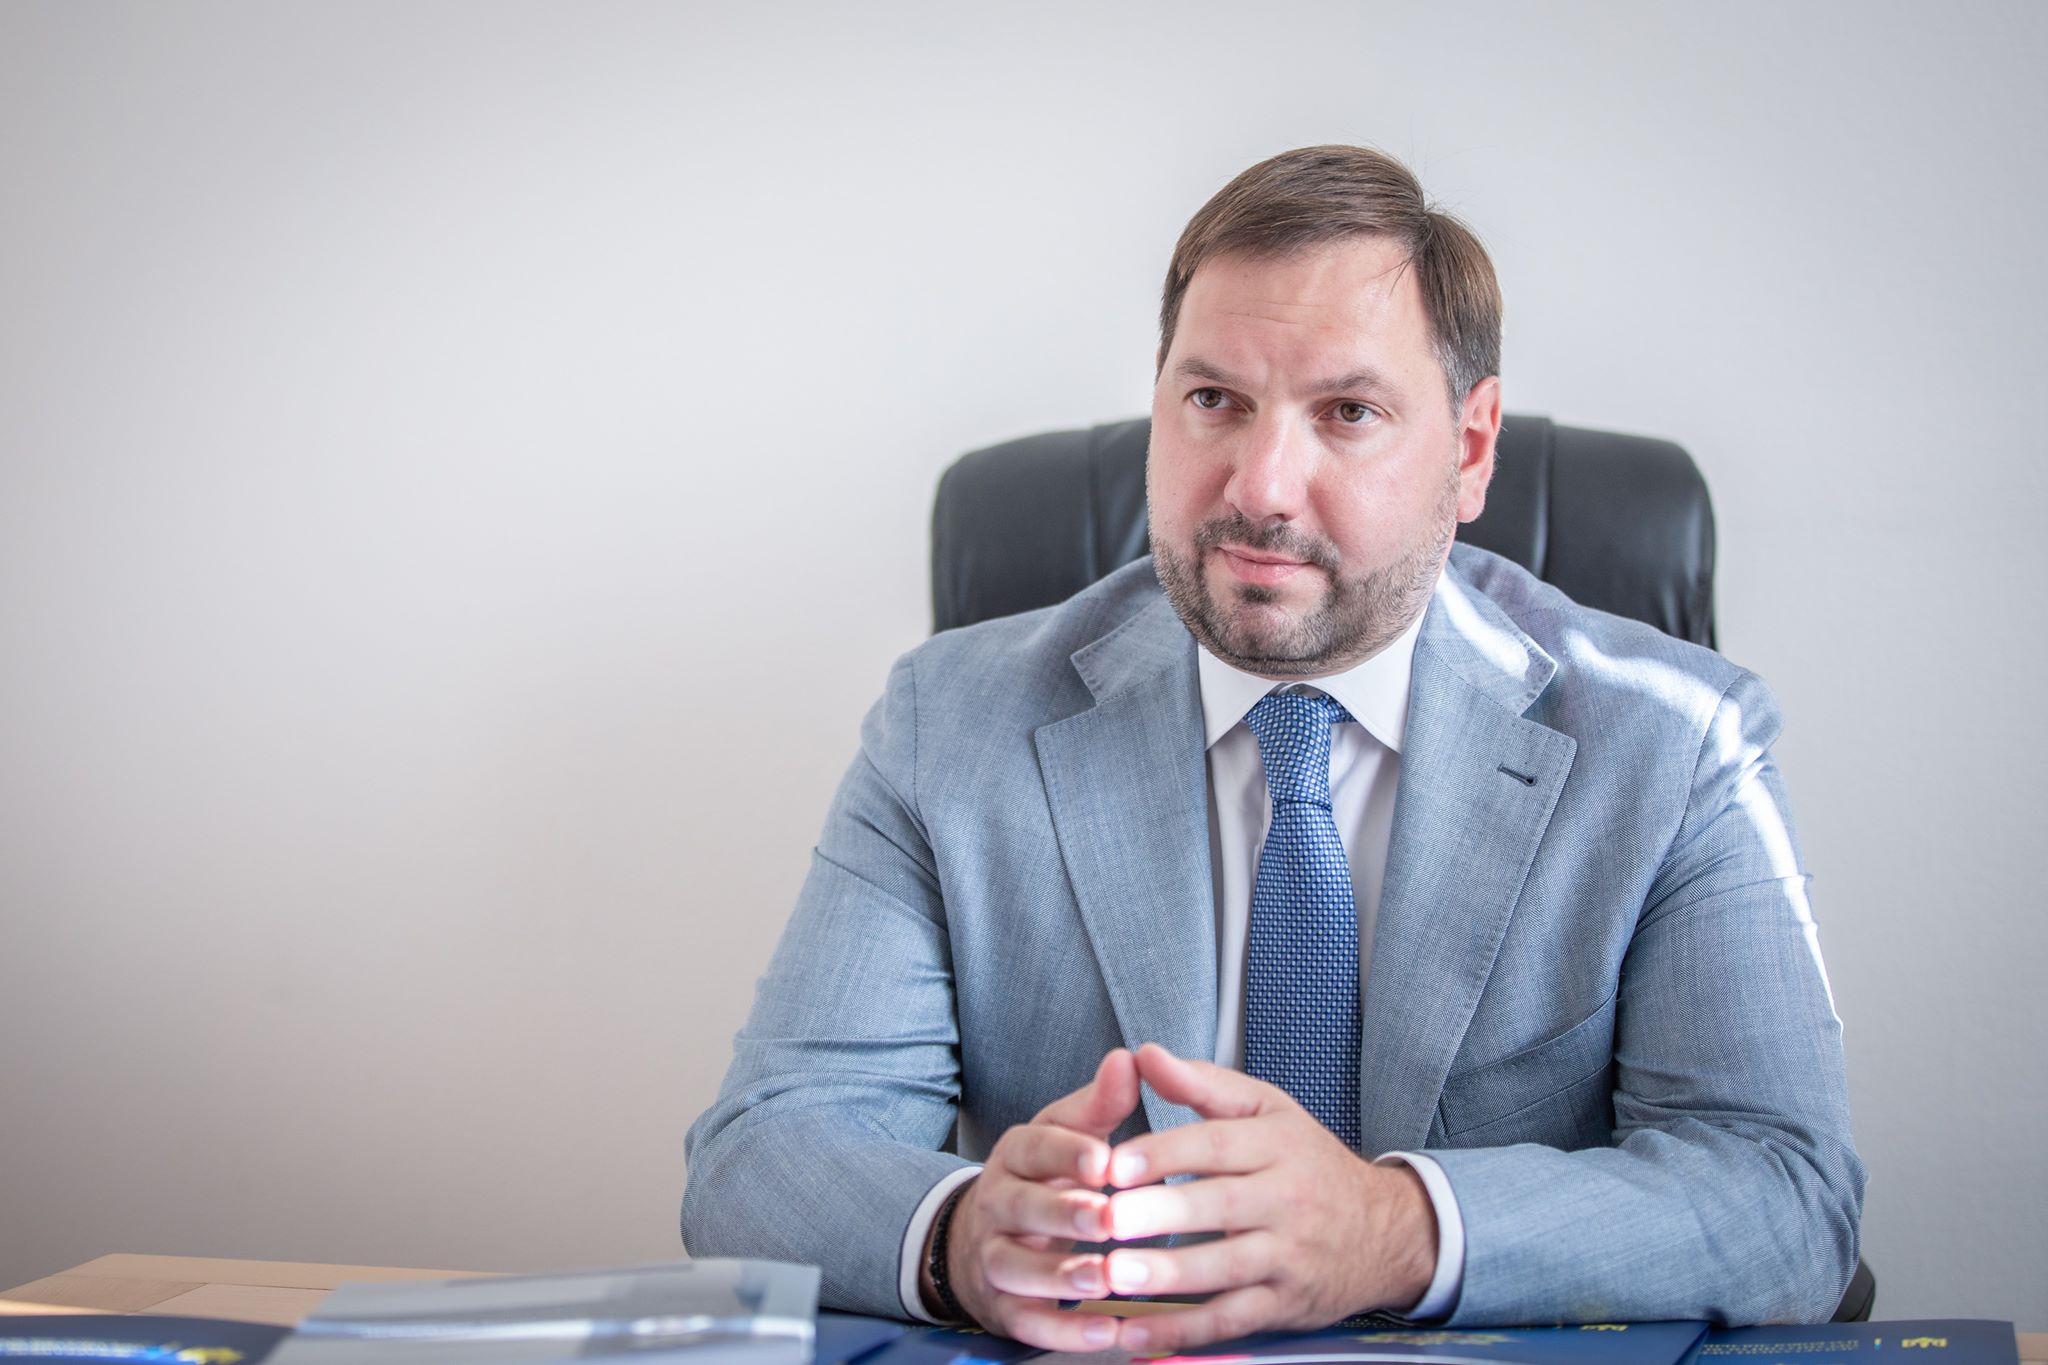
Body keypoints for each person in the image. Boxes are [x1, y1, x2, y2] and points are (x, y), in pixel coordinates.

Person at [681, 145, 1863, 1349]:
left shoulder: (1672, 743)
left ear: (1467, 450)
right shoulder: (949, 725)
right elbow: (763, 1153)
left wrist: (1390, 1229)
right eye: (1213, 401)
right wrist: (959, 1237)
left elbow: (1783, 1198)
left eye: (1347, 413)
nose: (1259, 488)